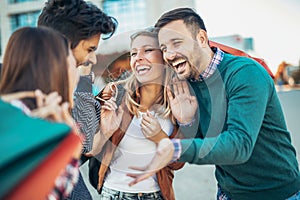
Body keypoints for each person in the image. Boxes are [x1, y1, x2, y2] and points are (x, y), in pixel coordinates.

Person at [127, 8, 300, 200]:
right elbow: (208, 143)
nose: (169, 55)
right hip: (228, 192)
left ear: (201, 38)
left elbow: (239, 145)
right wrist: (187, 122)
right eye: (164, 48)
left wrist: (174, 148)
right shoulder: (187, 82)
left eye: (176, 43)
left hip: (277, 193)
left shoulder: (245, 73)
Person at [88, 28, 184, 200]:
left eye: (147, 50)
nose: (138, 57)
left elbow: (178, 163)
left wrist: (160, 137)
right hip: (114, 194)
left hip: (157, 195)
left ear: (164, 56)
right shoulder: (114, 92)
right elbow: (89, 149)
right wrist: (106, 132)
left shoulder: (178, 99)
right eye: (133, 53)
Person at [38, 0, 117, 198]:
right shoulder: (13, 94)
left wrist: (103, 135)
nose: (93, 59)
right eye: (90, 49)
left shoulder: (56, 93)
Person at [0, 26, 81, 199]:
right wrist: (71, 144)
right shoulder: (36, 128)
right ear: (57, 70)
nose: (77, 74)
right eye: (74, 64)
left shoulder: (9, 112)